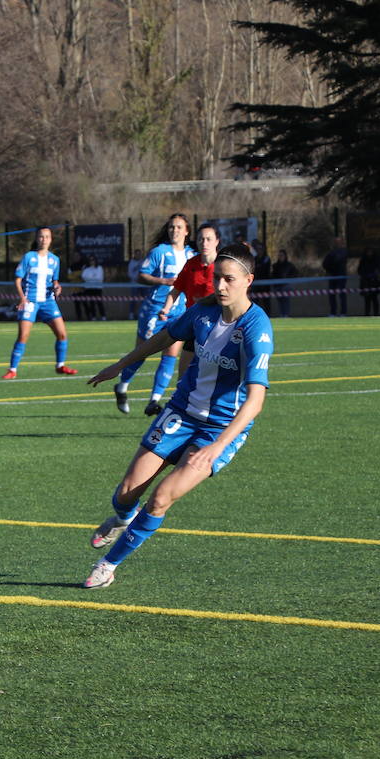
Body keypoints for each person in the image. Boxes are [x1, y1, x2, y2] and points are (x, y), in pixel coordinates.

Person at [81, 244, 273, 589]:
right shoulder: (204, 312)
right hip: (181, 412)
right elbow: (166, 336)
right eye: (217, 278)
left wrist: (218, 447)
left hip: (219, 429)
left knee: (161, 497)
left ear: (248, 281)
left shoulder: (257, 329)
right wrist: (121, 365)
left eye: (229, 280)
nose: (221, 286)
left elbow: (255, 400)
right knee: (126, 492)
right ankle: (124, 519)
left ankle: (108, 565)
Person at [111, 214, 195, 414]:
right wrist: (163, 281)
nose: (174, 231)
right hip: (155, 311)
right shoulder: (160, 252)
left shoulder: (192, 255)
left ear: (186, 231)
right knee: (142, 353)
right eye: (171, 227)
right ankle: (122, 386)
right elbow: (141, 275)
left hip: (179, 312)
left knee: (170, 355)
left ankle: (154, 400)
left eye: (178, 227)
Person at [149, 223, 221, 413]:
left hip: (218, 329)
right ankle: (179, 413)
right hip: (195, 326)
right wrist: (165, 309)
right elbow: (176, 290)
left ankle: (216, 416)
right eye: (200, 239)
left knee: (213, 376)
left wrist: (208, 301)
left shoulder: (223, 267)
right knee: (184, 375)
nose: (204, 243)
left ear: (217, 241)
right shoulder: (191, 265)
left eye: (208, 239)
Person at [1, 226, 76, 379]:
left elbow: (54, 281)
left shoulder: (54, 260)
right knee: (23, 335)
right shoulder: (29, 257)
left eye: (47, 237)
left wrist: (57, 287)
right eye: (41, 237)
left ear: (51, 239)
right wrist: (22, 297)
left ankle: (60, 366)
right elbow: (17, 279)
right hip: (30, 301)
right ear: (37, 239)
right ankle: (12, 369)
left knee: (62, 334)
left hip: (48, 301)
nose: (44, 239)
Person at [322, 237, 348, 316]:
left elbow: (338, 261)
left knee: (342, 295)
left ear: (341, 243)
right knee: (332, 295)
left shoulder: (344, 252)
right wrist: (329, 270)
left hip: (341, 276)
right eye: (336, 242)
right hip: (332, 276)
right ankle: (333, 312)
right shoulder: (331, 252)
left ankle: (343, 312)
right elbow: (325, 263)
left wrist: (332, 262)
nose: (337, 244)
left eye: (338, 242)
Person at [269, 248, 298, 319]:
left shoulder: (289, 265)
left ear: (285, 256)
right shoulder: (275, 266)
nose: (280, 257)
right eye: (279, 255)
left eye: (282, 255)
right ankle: (282, 314)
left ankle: (286, 315)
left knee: (286, 300)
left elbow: (295, 273)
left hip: (286, 286)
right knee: (280, 301)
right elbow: (272, 275)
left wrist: (289, 280)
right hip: (277, 286)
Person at [358, 246, 380, 316]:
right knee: (367, 299)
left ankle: (376, 313)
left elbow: (379, 269)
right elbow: (359, 270)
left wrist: (375, 275)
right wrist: (364, 275)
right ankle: (367, 313)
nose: (369, 253)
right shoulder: (363, 260)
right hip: (366, 281)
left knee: (374, 298)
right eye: (368, 252)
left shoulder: (376, 259)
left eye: (371, 251)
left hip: (374, 281)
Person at [80, 255, 105, 320]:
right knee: (91, 303)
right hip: (89, 288)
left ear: (95, 260)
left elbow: (99, 278)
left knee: (99, 303)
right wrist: (93, 277)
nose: (92, 261)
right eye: (90, 260)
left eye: (93, 260)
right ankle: (93, 317)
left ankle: (103, 316)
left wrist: (90, 278)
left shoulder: (99, 268)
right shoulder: (86, 269)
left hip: (97, 288)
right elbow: (83, 277)